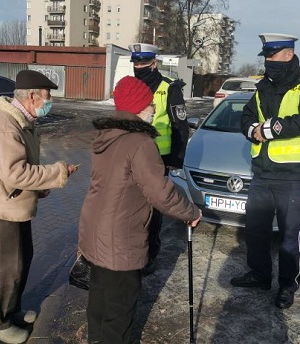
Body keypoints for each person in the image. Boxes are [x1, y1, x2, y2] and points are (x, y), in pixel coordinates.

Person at [78, 76, 201, 344]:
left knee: (99, 303)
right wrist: (191, 212)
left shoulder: (106, 137)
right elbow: (160, 193)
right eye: (149, 104)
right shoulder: (140, 143)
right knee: (118, 314)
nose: (154, 109)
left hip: (95, 232)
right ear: (138, 107)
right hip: (120, 240)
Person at [0, 70, 78, 343]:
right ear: (32, 96)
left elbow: (24, 171)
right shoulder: (3, 126)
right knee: (8, 267)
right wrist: (58, 172)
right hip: (1, 209)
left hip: (14, 204)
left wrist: (40, 187)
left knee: (22, 260)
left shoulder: (23, 122)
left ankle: (11, 312)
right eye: (47, 96)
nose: (50, 101)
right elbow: (16, 173)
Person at [230, 33, 300, 309]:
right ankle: (260, 275)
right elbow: (247, 116)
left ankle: (287, 285)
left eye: (273, 56)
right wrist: (252, 130)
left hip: (294, 176)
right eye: (267, 57)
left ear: (288, 54)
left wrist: (272, 129)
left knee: (289, 236)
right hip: (262, 172)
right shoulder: (263, 86)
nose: (269, 62)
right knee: (256, 230)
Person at [128, 43, 190, 275]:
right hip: (132, 156)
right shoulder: (130, 86)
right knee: (133, 204)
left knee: (153, 208)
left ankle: (150, 254)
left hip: (158, 158)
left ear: (154, 64)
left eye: (143, 63)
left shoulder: (169, 88)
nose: (139, 67)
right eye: (136, 63)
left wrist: (176, 158)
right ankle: (134, 247)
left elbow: (180, 126)